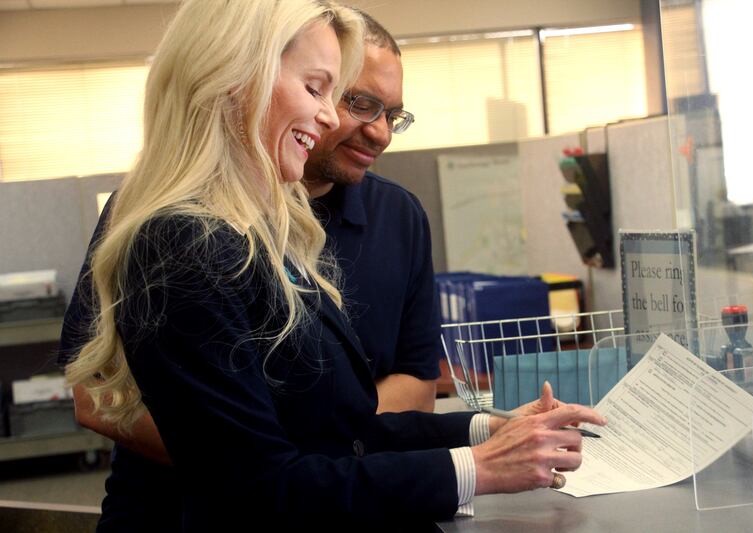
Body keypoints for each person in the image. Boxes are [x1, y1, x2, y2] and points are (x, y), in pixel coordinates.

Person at [63, 0, 605, 530]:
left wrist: (489, 431)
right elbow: (259, 483)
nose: (329, 116)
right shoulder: (182, 240)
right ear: (236, 78)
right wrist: (476, 468)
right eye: (320, 89)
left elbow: (336, 433)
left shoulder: (268, 230)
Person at [303, 10, 438, 413]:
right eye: (362, 104)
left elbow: (418, 384)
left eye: (392, 115)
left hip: (363, 472)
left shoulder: (399, 216)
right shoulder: (175, 214)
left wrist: (317, 444)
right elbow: (107, 393)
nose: (381, 133)